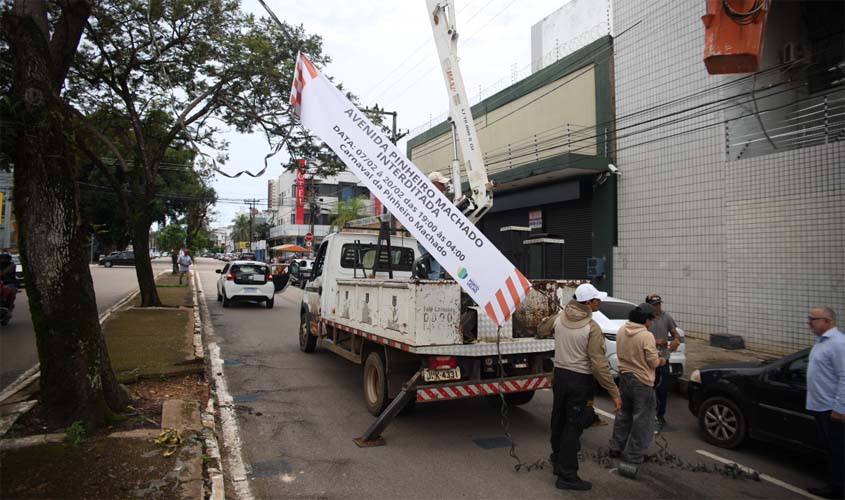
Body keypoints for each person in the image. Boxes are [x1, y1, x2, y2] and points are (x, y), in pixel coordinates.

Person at [539, 283, 622, 491]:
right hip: (580, 381)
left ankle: (557, 461)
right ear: (587, 303)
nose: (599, 302)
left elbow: (541, 330)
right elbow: (599, 364)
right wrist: (614, 392)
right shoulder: (591, 328)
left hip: (560, 377)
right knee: (573, 426)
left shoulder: (559, 318)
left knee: (558, 420)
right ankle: (567, 476)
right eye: (596, 300)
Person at [609, 302, 666, 469]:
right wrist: (662, 359)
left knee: (623, 414)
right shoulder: (645, 336)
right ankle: (634, 455)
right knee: (642, 420)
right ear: (645, 319)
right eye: (651, 319)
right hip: (642, 381)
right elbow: (653, 361)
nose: (652, 322)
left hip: (624, 378)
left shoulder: (621, 330)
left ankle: (616, 447)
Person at [805, 306, 844, 499]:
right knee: (830, 449)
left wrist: (840, 408)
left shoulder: (838, 343)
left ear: (828, 321)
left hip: (832, 409)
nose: (809, 322)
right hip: (819, 406)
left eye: (813, 319)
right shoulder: (821, 342)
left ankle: (837, 489)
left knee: (838, 452)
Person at [644, 293, 680, 431]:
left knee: (663, 388)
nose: (657, 307)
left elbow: (675, 334)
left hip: (663, 358)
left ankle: (660, 415)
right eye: (654, 305)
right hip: (648, 359)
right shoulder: (645, 319)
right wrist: (655, 341)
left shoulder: (666, 317)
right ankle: (647, 415)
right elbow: (639, 336)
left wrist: (676, 340)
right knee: (648, 388)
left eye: (659, 304)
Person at [416, 171, 450, 279]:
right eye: (441, 184)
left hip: (433, 239)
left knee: (436, 270)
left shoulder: (436, 200)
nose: (444, 188)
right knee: (434, 272)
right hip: (428, 238)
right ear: (433, 184)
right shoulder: (426, 200)